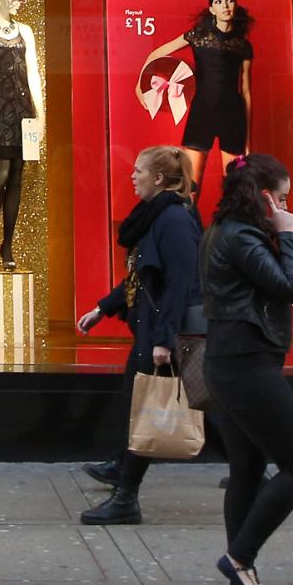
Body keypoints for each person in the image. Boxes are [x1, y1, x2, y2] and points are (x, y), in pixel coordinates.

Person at [200, 153, 293, 585]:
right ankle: (239, 558)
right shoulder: (243, 236)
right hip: (246, 363)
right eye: (281, 198)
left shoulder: (224, 232)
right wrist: (287, 235)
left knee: (246, 468)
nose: (286, 206)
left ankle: (241, 580)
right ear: (264, 196)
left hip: (232, 359)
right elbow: (289, 288)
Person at [76, 145, 203, 525]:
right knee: (155, 401)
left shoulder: (174, 220)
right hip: (151, 325)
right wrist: (103, 307)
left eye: (138, 171)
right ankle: (122, 472)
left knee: (154, 405)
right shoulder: (155, 216)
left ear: (159, 178)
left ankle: (126, 496)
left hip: (164, 331)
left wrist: (165, 340)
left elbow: (181, 282)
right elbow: (141, 275)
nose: (132, 177)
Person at [136, 0, 253, 194]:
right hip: (203, 111)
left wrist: (247, 136)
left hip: (232, 115)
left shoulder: (242, 45)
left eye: (229, 0)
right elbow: (155, 55)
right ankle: (187, 226)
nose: (225, 6)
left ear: (235, 5)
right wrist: (140, 86)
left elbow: (245, 91)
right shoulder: (198, 35)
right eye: (218, 1)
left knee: (235, 188)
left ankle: (230, 226)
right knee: (190, 186)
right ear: (211, 9)